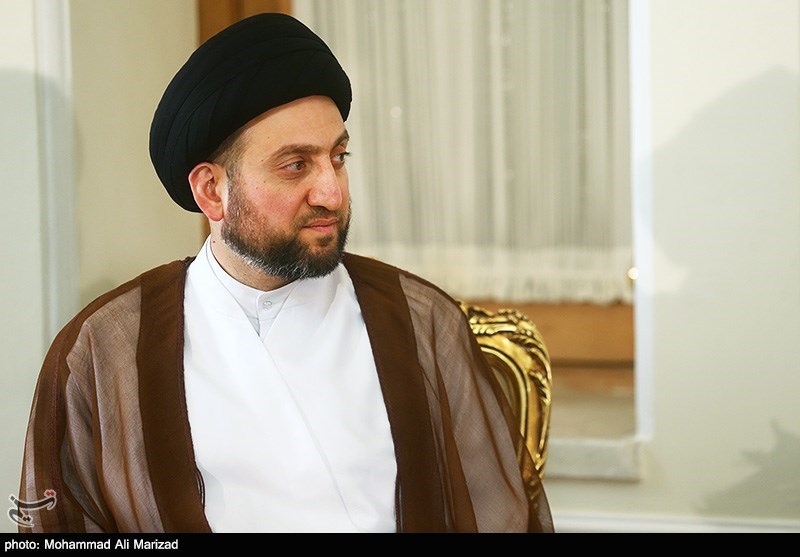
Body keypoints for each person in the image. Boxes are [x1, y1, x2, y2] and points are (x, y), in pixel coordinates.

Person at [17, 13, 553, 534]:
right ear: (211, 191)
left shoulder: (420, 322)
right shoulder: (106, 349)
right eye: (296, 165)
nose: (332, 193)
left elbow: (498, 515)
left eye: (338, 157)